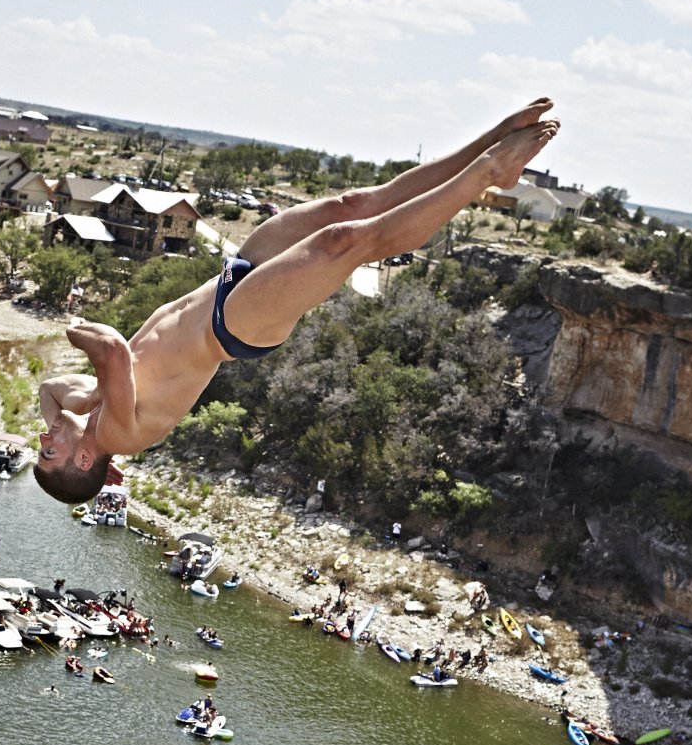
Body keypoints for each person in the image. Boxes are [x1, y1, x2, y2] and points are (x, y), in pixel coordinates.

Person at [32, 100, 559, 501]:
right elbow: (113, 350)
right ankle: (488, 173)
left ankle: (491, 139)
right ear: (83, 458)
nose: (44, 435)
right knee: (349, 242)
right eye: (50, 449)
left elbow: (48, 387)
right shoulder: (117, 433)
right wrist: (72, 327)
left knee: (351, 205)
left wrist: (60, 424)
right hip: (233, 324)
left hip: (230, 278)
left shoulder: (86, 412)